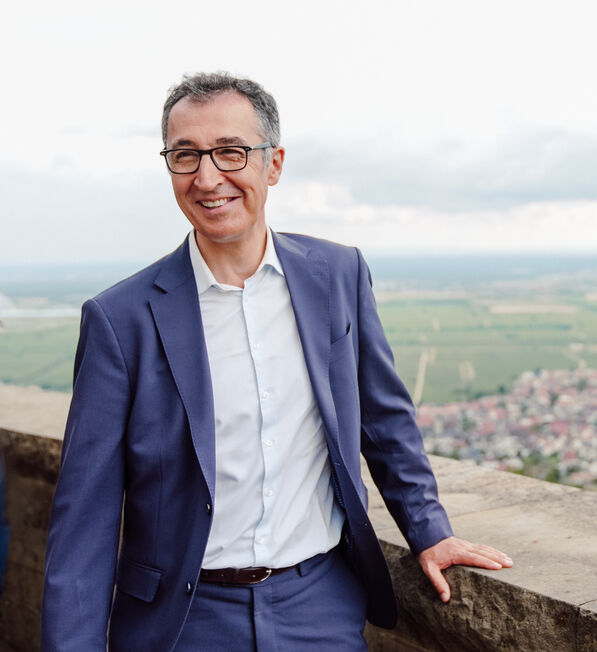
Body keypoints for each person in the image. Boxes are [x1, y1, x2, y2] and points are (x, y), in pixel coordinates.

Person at [41, 72, 512, 651]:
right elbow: (83, 522)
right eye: (185, 156)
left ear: (274, 162)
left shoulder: (337, 276)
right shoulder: (121, 319)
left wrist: (429, 531)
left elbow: (383, 422)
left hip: (320, 607)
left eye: (230, 152)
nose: (208, 178)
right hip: (181, 624)